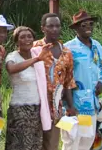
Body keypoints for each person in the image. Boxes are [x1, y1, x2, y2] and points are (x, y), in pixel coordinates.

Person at [64, 10, 102, 150]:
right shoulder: (68, 48)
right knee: (71, 142)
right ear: (76, 28)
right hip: (74, 104)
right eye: (84, 25)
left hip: (92, 104)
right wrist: (68, 104)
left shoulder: (96, 46)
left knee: (87, 140)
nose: (88, 27)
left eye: (91, 24)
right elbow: (64, 76)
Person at [33, 13, 77, 150]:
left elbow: (68, 82)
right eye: (50, 26)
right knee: (36, 142)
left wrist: (70, 106)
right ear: (43, 29)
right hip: (37, 103)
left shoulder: (66, 52)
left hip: (56, 106)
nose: (54, 29)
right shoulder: (35, 48)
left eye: (57, 26)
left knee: (52, 143)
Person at [5, 26, 51, 150]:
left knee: (35, 145)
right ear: (16, 41)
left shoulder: (37, 53)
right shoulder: (13, 56)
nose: (27, 39)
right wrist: (36, 59)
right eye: (22, 37)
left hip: (36, 109)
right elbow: (11, 69)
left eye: (29, 36)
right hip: (20, 110)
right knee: (19, 145)